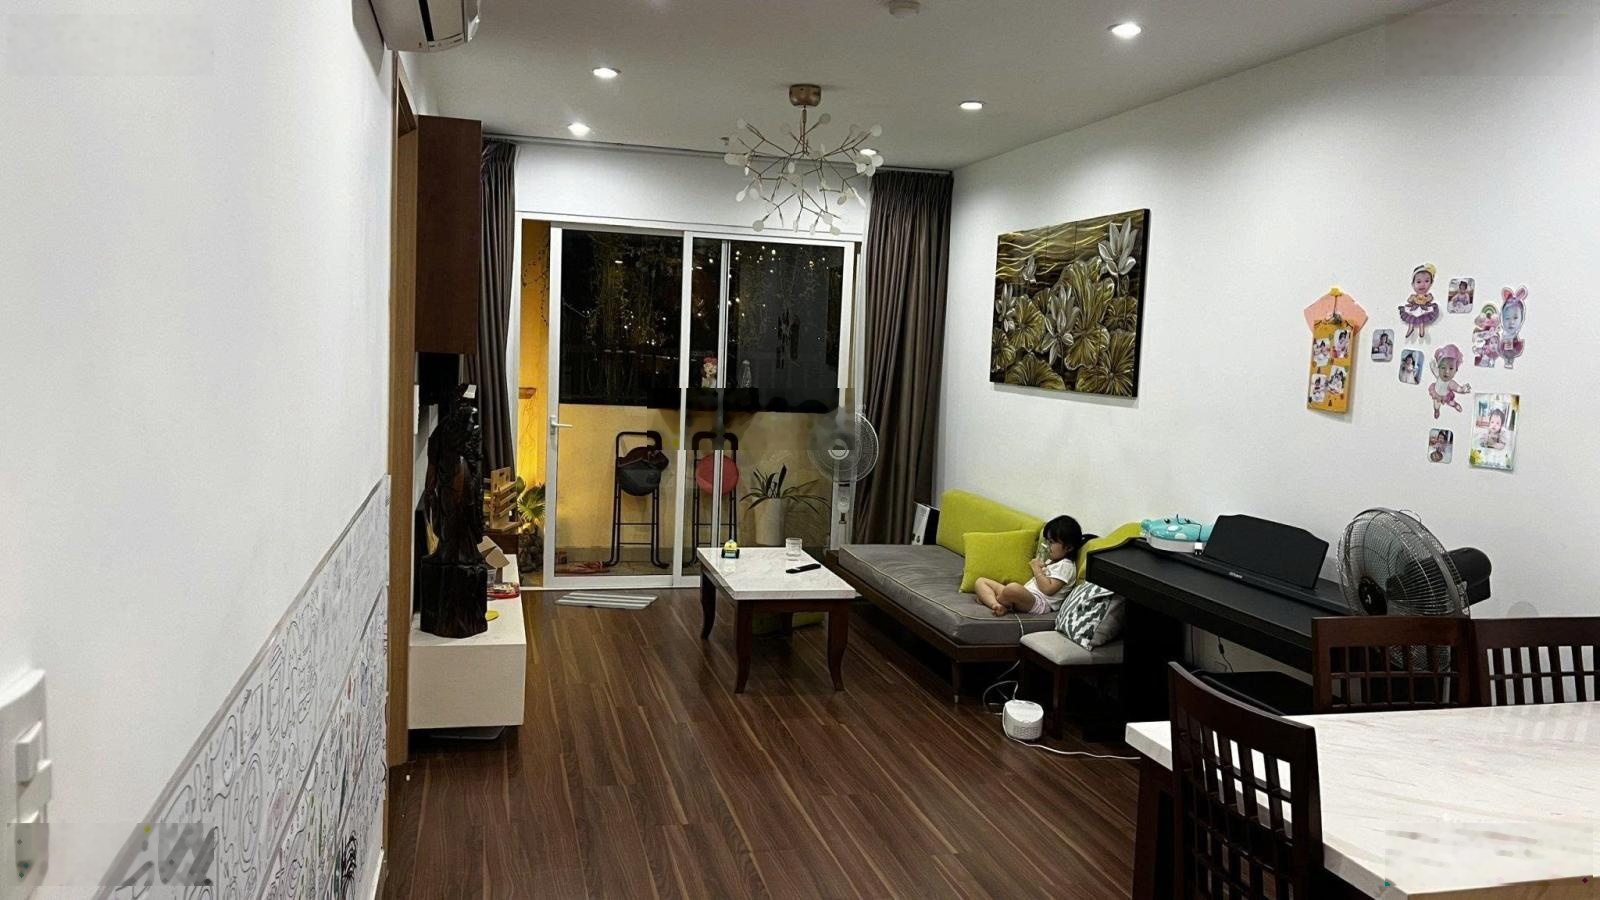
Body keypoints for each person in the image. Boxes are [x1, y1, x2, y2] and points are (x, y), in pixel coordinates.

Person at [973, 515, 1086, 617]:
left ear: (1069, 547)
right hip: (1027, 595)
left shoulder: (1066, 566)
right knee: (981, 581)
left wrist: (1036, 568)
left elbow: (1048, 590)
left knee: (1012, 588)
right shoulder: (1052, 560)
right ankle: (996, 605)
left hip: (1039, 603)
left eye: (1051, 542)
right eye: (1047, 541)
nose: (1047, 545)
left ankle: (992, 599)